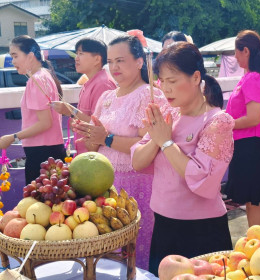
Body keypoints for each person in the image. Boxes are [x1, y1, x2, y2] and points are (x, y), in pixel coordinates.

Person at [131, 42, 234, 275]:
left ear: (196, 77)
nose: (165, 89)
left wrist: (166, 143)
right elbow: (137, 161)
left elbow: (203, 181)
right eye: (162, 81)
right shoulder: (169, 115)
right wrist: (158, 139)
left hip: (201, 230)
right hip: (165, 224)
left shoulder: (218, 121)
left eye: (173, 81)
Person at [72, 35, 168, 270]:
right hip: (105, 187)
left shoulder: (149, 95)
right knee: (107, 255)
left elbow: (149, 143)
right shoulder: (106, 97)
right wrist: (91, 135)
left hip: (139, 187)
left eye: (121, 61)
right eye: (111, 62)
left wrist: (105, 137)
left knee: (136, 253)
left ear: (139, 62)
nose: (114, 68)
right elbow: (96, 144)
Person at [224, 30, 260, 227]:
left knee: (253, 201)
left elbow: (253, 117)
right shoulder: (252, 76)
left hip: (250, 146)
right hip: (248, 145)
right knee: (251, 200)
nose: (235, 57)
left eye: (236, 52)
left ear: (245, 50)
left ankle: (259, 243)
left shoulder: (253, 78)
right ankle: (256, 241)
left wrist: (224, 123)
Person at [0, 35, 65, 184]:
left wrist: (12, 137)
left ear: (30, 56)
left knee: (38, 203)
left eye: (15, 56)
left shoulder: (37, 80)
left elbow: (45, 123)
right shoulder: (44, 75)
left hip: (42, 153)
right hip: (50, 151)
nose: (13, 61)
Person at [51, 38, 116, 154]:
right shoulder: (89, 83)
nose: (76, 58)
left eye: (81, 53)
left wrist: (72, 111)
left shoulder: (103, 84)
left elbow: (102, 128)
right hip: (85, 153)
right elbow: (86, 119)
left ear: (97, 59)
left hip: (97, 157)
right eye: (76, 54)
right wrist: (75, 120)